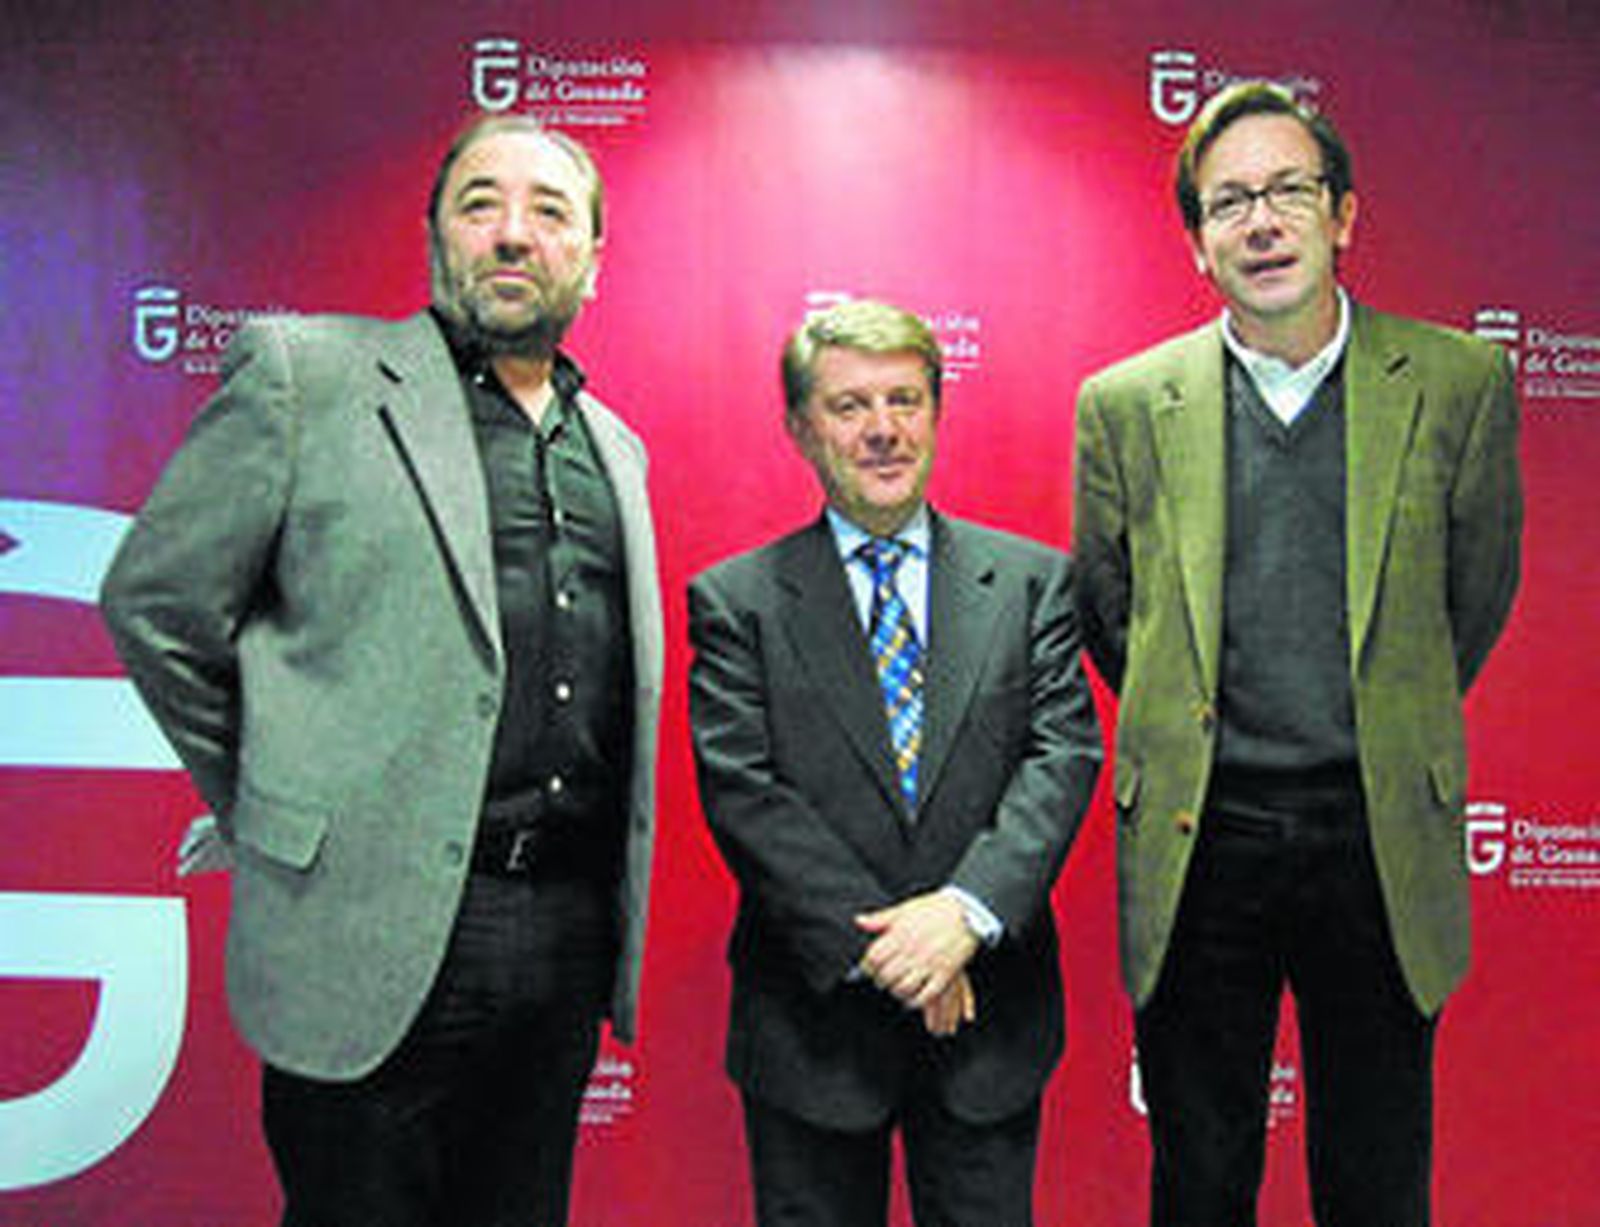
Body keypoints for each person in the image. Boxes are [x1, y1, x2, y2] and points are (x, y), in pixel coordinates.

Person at [100, 114, 662, 1227]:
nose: (513, 234)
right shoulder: (309, 376)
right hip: (365, 930)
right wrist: (275, 801)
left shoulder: (619, 448)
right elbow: (156, 604)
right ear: (434, 237)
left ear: (593, 263)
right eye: (480, 204)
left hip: (560, 935)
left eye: (550, 213)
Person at [1073, 81, 1522, 1226]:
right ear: (1196, 244)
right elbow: (1111, 613)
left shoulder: (1457, 384)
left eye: (1286, 191)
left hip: (1376, 834)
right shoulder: (1126, 404)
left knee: (1374, 1180)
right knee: (1201, 1176)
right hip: (1198, 834)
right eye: (1228, 203)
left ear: (1343, 217)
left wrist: (1377, 711)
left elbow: (1472, 597)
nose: (1260, 222)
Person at [689, 298, 1102, 1227]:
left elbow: (1062, 753)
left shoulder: (1032, 584)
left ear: (935, 412)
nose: (883, 429)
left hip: (988, 1028)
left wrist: (962, 917)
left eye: (905, 400)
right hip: (812, 1033)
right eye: (849, 406)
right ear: (801, 427)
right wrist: (904, 953)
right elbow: (747, 796)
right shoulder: (737, 602)